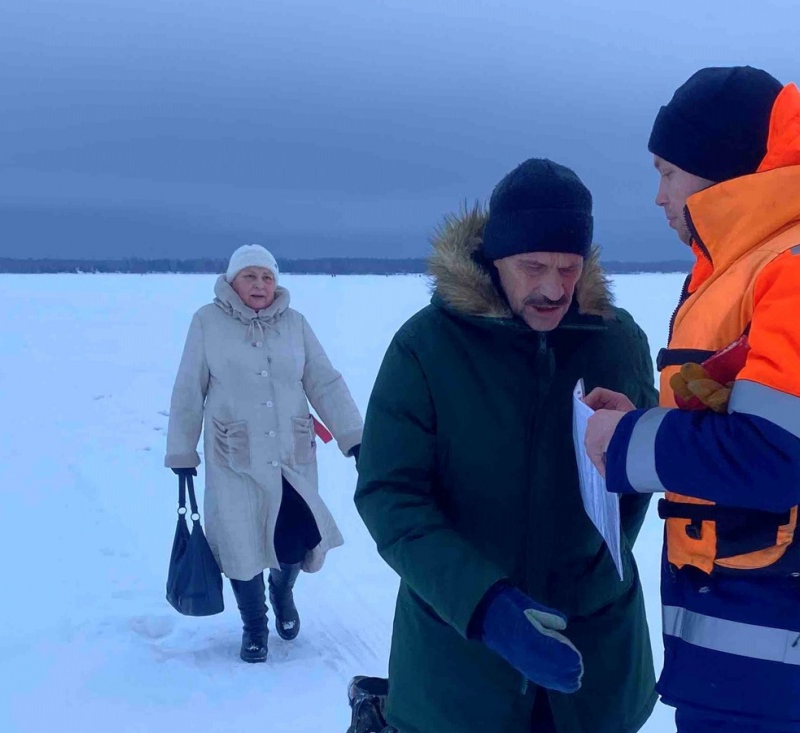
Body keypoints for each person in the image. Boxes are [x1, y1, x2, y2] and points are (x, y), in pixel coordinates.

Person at [584, 67, 800, 732]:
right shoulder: (758, 269)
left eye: (667, 172)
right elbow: (739, 420)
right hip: (747, 652)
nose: (657, 196)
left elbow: (779, 455)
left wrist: (625, 447)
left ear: (718, 169)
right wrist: (639, 426)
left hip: (785, 653)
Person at [354, 159, 658, 733]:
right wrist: (484, 605)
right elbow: (388, 496)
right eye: (533, 266)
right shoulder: (426, 347)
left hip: (594, 660)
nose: (553, 288)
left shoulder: (618, 342)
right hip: (459, 665)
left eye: (569, 268)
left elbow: (635, 490)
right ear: (494, 262)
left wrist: (637, 438)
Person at [165, 244, 363, 663]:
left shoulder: (295, 323)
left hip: (292, 453)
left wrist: (353, 437)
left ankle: (283, 592)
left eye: (267, 277)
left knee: (294, 537)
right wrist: (182, 453)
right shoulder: (207, 322)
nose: (260, 285)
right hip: (233, 455)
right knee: (240, 542)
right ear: (232, 281)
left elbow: (324, 381)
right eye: (250, 276)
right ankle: (254, 624)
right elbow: (188, 390)